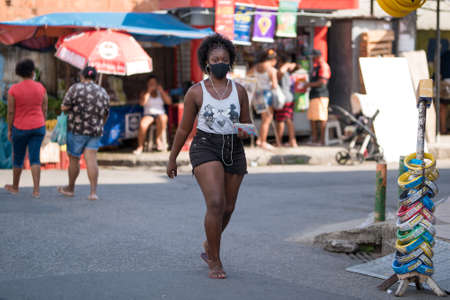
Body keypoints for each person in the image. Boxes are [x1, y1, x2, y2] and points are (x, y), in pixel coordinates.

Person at [166, 34, 251, 279]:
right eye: (215, 59)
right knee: (215, 202)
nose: (220, 63)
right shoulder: (196, 92)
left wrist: (244, 131)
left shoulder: (240, 91)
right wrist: (173, 158)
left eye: (224, 59)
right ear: (206, 62)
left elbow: (247, 125)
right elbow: (183, 128)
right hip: (205, 145)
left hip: (234, 147)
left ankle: (208, 244)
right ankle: (214, 259)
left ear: (230, 62)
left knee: (228, 207)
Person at [58, 66, 110, 200]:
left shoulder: (75, 88)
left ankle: (70, 188)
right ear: (95, 77)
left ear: (82, 76)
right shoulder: (102, 91)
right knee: (91, 159)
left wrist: (71, 108)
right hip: (95, 130)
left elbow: (64, 107)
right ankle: (93, 192)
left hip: (77, 129)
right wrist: (100, 124)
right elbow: (106, 113)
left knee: (74, 159)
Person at [5, 59, 47, 198]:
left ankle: (15, 187)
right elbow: (44, 108)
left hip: (20, 127)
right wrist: (42, 121)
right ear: (32, 72)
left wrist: (10, 129)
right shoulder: (41, 87)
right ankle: (36, 190)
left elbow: (10, 112)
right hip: (38, 126)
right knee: (35, 158)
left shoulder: (13, 89)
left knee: (18, 158)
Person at [247, 49, 279, 149]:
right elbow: (274, 85)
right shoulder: (271, 70)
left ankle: (260, 140)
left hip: (257, 95)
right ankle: (262, 141)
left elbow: (247, 76)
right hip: (266, 95)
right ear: (273, 59)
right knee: (267, 119)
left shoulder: (255, 67)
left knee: (263, 118)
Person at [134, 75, 172, 154]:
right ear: (147, 84)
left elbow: (169, 102)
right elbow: (142, 103)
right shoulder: (144, 93)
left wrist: (161, 91)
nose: (152, 84)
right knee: (142, 125)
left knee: (163, 118)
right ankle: (140, 147)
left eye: (154, 83)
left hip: (160, 114)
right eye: (150, 83)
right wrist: (148, 92)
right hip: (149, 115)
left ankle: (158, 140)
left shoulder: (160, 93)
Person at [304, 49, 331, 145]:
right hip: (314, 95)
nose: (312, 60)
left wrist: (308, 84)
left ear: (318, 56)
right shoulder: (316, 67)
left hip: (321, 95)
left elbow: (322, 82)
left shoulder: (323, 66)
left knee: (321, 117)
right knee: (313, 118)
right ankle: (314, 138)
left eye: (313, 57)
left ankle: (322, 140)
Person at [274, 54, 297, 147]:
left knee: (281, 120)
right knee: (288, 120)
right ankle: (292, 141)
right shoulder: (288, 73)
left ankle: (279, 142)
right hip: (289, 98)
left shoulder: (283, 72)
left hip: (283, 99)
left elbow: (280, 71)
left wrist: (287, 64)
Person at [439, 50, 450, 134]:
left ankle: (443, 129)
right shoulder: (445, 55)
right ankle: (443, 129)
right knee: (443, 106)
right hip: (446, 82)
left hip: (445, 82)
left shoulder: (444, 55)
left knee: (443, 106)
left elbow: (439, 71)